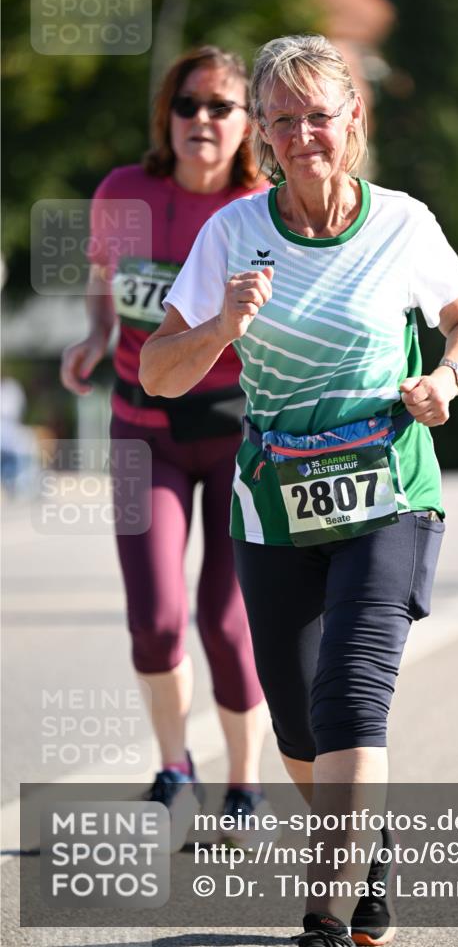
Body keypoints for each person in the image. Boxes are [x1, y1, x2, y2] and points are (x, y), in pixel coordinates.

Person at [140, 34, 458, 945]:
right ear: (261, 132)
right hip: (274, 507)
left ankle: (324, 917)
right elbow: (158, 373)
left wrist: (446, 378)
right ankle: (364, 851)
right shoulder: (231, 234)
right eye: (283, 120)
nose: (303, 136)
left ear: (353, 119)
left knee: (351, 699)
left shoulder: (401, 223)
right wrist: (220, 326)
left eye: (318, 117)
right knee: (297, 723)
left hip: (389, 495)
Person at [60, 45, 270, 844]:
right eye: (187, 104)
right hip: (141, 431)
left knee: (226, 622)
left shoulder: (261, 208)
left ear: (247, 123)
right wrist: (96, 335)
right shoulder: (124, 192)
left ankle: (244, 785)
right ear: (166, 117)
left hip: (237, 435)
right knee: (154, 618)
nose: (201, 120)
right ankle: (175, 768)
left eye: (220, 106)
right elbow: (102, 275)